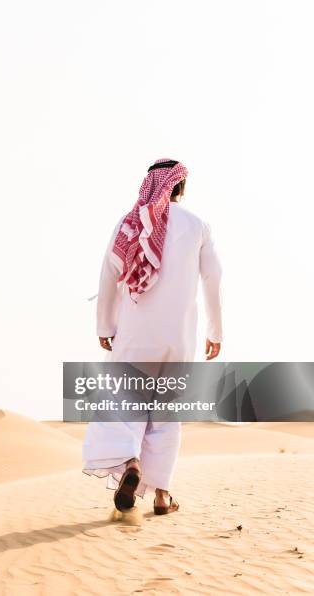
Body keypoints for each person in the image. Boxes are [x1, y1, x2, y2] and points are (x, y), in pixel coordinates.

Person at [82, 158, 223, 514]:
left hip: (135, 334)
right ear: (181, 188)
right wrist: (215, 331)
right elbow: (213, 278)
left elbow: (107, 274)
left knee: (124, 405)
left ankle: (130, 463)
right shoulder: (198, 226)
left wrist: (104, 326)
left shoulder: (130, 222)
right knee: (166, 413)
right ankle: (161, 495)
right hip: (179, 337)